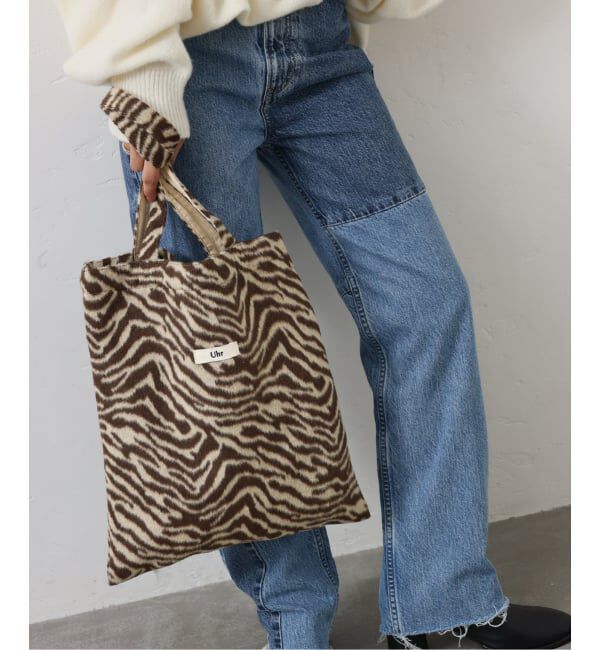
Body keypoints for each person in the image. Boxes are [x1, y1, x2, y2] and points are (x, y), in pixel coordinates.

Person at [58, 1, 571, 648]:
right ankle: (295, 627)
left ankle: (441, 602)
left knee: (426, 303)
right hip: (192, 61)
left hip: (323, 50)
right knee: (227, 359)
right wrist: (140, 71)